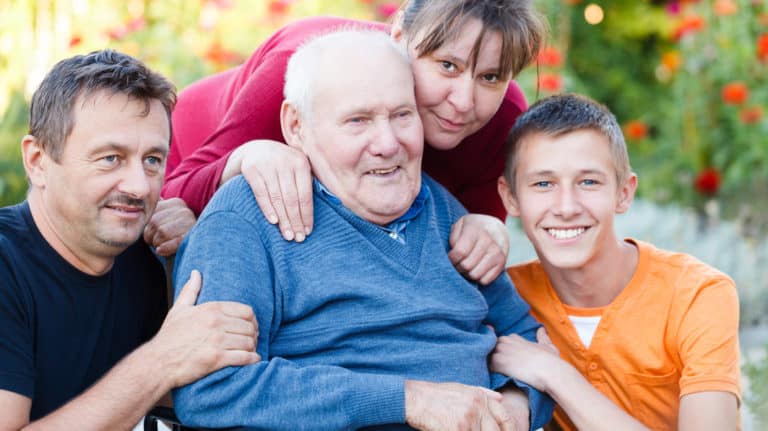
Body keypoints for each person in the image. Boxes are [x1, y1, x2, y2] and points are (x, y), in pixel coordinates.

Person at [172, 30, 552, 430]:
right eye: (358, 120)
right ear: (296, 126)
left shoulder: (447, 216)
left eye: (402, 115)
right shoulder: (248, 217)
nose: (388, 144)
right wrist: (408, 401)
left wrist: (516, 405)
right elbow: (213, 389)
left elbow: (525, 335)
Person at [162, 0, 546, 285]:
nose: (463, 102)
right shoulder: (309, 69)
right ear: (399, 38)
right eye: (448, 66)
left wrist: (488, 233)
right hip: (190, 147)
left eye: (491, 77)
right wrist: (248, 155)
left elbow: (461, 255)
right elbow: (174, 190)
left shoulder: (502, 117)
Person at [0, 49, 260, 430]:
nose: (139, 187)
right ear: (38, 160)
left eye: (153, 160)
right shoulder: (7, 265)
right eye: (110, 158)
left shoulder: (147, 258)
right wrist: (161, 360)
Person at [491, 94, 741, 431]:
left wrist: (555, 374)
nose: (566, 207)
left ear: (623, 192)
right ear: (511, 198)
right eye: (543, 184)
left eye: (588, 182)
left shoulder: (697, 294)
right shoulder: (506, 298)